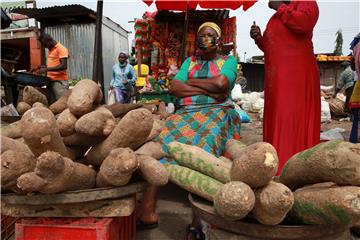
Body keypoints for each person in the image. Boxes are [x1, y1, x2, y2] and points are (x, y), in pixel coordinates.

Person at [137, 22, 240, 236]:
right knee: (161, 144)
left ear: (219, 40)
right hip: (186, 113)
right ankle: (147, 211)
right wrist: (210, 87)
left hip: (218, 111)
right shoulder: (189, 61)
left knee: (205, 146)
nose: (205, 39)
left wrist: (192, 84)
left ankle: (199, 220)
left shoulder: (228, 61)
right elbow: (175, 86)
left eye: (210, 35)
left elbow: (222, 84)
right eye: (202, 36)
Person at [250, 0, 320, 174]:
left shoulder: (306, 3)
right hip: (277, 81)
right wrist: (258, 38)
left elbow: (303, 24)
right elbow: (272, 47)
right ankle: (275, 165)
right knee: (277, 119)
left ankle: (293, 169)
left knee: (290, 119)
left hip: (295, 78)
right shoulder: (276, 17)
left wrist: (279, 7)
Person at [36, 33, 69, 104]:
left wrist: (46, 69)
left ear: (49, 41)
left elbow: (63, 66)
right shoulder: (51, 50)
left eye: (45, 45)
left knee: (62, 104)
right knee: (53, 105)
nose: (45, 47)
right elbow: (54, 64)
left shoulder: (61, 49)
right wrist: (43, 67)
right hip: (51, 81)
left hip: (59, 82)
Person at [349, 33, 360, 143]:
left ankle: (354, 141)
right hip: (356, 89)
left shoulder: (357, 48)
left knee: (357, 119)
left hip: (356, 89)